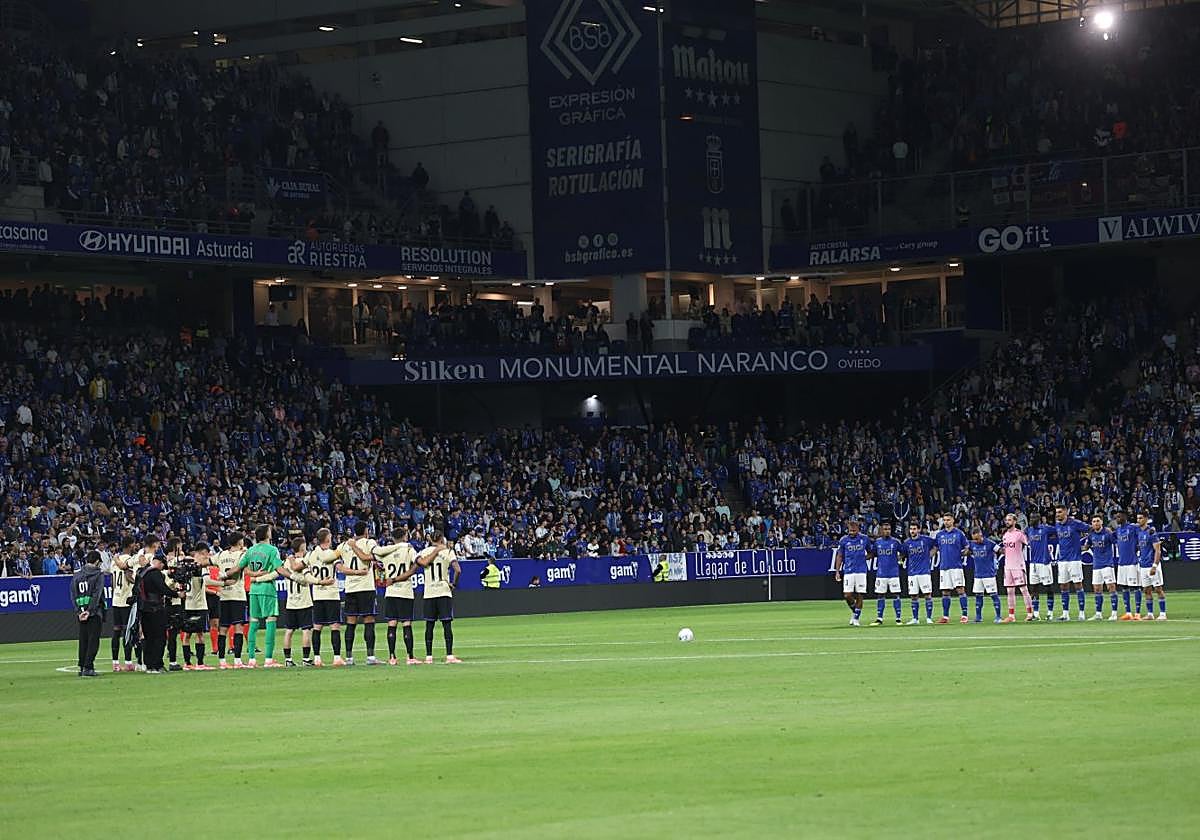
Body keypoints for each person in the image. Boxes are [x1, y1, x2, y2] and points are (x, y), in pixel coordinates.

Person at [395, 531, 463, 663]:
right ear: (442, 538)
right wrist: (453, 584)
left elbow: (415, 567)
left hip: (429, 592)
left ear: (430, 539)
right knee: (446, 625)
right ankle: (449, 655)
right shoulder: (448, 551)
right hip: (443, 591)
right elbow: (458, 570)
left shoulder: (423, 552)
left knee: (429, 625)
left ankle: (429, 656)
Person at [222, 523, 283, 668]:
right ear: (267, 534)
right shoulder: (272, 550)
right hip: (267, 589)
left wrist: (224, 575)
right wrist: (292, 575)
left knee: (253, 622)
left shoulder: (250, 551)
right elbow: (279, 568)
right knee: (270, 621)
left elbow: (240, 568)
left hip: (253, 589)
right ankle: (268, 659)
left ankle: (251, 659)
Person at [277, 537, 324, 667]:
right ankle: (306, 659)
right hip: (304, 602)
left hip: (290, 602)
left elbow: (278, 570)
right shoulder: (303, 562)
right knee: (306, 630)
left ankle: (287, 659)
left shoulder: (287, 562)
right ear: (302, 548)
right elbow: (306, 579)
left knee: (289, 631)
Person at [339, 522, 381, 666]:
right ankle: (370, 657)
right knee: (369, 622)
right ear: (366, 531)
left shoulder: (344, 545)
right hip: (366, 587)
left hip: (350, 588)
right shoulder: (369, 542)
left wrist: (344, 568)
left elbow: (333, 560)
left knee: (351, 624)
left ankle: (349, 658)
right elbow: (369, 557)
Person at [377, 531, 419, 665]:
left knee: (392, 623)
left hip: (390, 592)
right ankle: (410, 657)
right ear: (405, 537)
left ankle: (392, 657)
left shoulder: (386, 551)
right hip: (405, 591)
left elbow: (378, 565)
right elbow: (417, 562)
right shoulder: (408, 549)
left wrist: (383, 578)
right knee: (406, 624)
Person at [306, 528, 346, 666]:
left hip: (317, 595)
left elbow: (301, 568)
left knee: (317, 627)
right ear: (328, 539)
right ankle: (336, 658)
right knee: (335, 626)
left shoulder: (310, 555)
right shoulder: (331, 553)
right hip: (331, 594)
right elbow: (340, 568)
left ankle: (317, 658)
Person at [135, 549, 175, 674]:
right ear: (160, 563)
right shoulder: (155, 573)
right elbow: (162, 589)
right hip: (155, 609)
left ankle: (148, 664)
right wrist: (176, 594)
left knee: (148, 637)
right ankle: (157, 664)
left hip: (143, 609)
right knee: (160, 637)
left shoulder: (141, 572)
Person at [213, 533, 249, 669]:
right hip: (237, 595)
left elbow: (208, 561)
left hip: (223, 595)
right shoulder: (242, 555)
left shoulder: (221, 555)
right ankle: (237, 660)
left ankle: (222, 661)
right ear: (240, 542)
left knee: (223, 628)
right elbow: (242, 567)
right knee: (238, 627)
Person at [179, 543, 215, 670]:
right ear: (202, 552)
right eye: (206, 553)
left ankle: (187, 663)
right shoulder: (201, 566)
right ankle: (200, 663)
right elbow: (207, 581)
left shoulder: (184, 566)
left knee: (187, 634)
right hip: (199, 604)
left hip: (188, 604)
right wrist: (223, 582)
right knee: (199, 634)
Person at [71, 550, 106, 677]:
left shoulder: (77, 575)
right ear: (97, 561)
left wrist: (79, 611)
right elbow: (97, 594)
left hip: (81, 612)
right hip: (94, 612)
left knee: (83, 640)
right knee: (93, 640)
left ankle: (81, 666)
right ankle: (88, 666)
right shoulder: (98, 575)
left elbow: (73, 594)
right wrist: (90, 610)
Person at [833, 519, 872, 627]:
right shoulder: (843, 540)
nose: (852, 533)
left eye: (854, 531)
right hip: (848, 571)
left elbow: (871, 553)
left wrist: (864, 558)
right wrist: (837, 571)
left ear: (858, 530)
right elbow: (839, 556)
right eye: (850, 531)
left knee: (860, 594)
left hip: (861, 571)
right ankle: (856, 611)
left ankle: (856, 618)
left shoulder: (864, 539)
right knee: (847, 595)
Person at [1053, 505, 1089, 621]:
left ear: (1065, 512)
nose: (1057, 514)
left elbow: (1090, 529)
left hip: (1075, 559)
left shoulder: (1075, 523)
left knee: (1078, 585)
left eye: (1059, 512)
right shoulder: (1057, 525)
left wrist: (1087, 544)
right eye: (1056, 512)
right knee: (1063, 586)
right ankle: (1065, 614)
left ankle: (1082, 613)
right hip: (1062, 560)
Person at [109, 536, 138, 671]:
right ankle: (128, 662)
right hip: (126, 601)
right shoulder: (129, 560)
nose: (135, 546)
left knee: (116, 631)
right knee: (128, 631)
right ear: (130, 545)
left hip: (116, 600)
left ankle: (115, 663)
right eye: (134, 544)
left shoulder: (114, 562)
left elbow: (112, 582)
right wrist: (137, 582)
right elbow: (129, 576)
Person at [935, 514, 969, 624]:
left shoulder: (959, 534)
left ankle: (964, 615)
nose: (946, 522)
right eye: (944, 520)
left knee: (960, 589)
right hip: (944, 567)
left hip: (956, 566)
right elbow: (936, 548)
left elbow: (967, 547)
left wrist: (962, 554)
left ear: (953, 521)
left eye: (948, 520)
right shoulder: (939, 535)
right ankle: (945, 616)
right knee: (945, 592)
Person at [901, 522, 937, 624]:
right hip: (912, 573)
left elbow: (936, 545)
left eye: (914, 529)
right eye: (911, 529)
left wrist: (929, 555)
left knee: (927, 594)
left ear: (919, 530)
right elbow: (903, 553)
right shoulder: (907, 543)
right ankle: (915, 618)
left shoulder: (926, 540)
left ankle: (929, 618)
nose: (912, 531)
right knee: (913, 596)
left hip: (924, 572)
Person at [1000, 513, 1033, 622]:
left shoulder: (1019, 534)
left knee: (1023, 589)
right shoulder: (1005, 535)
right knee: (1010, 591)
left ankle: (1029, 613)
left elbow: (1029, 544)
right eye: (1006, 520)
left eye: (1009, 520)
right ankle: (1011, 616)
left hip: (1018, 565)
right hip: (1008, 566)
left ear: (1014, 521)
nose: (1007, 522)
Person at [1086, 515, 1119, 621]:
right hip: (1096, 565)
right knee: (1097, 589)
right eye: (1094, 521)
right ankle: (1098, 613)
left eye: (1097, 521)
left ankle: (1114, 613)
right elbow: (1087, 546)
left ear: (1101, 523)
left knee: (1111, 587)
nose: (1095, 523)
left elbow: (1116, 542)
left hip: (1107, 565)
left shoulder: (1108, 533)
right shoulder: (1091, 535)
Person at [967, 527, 1002, 623]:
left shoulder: (990, 543)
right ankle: (978, 617)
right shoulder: (972, 544)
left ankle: (998, 616)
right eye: (974, 539)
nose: (976, 541)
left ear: (981, 535)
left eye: (977, 539)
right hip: (977, 575)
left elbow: (1001, 550)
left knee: (994, 595)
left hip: (989, 574)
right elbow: (967, 552)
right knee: (978, 596)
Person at [870, 522, 903, 625]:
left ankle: (898, 618)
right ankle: (879, 618)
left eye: (888, 529)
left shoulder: (896, 542)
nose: (887, 531)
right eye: (885, 529)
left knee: (896, 594)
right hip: (881, 574)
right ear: (881, 530)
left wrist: (900, 559)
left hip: (893, 573)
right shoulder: (877, 542)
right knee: (880, 595)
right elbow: (873, 553)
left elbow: (903, 552)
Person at [1135, 513, 1166, 620]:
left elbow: (1158, 550)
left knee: (1158, 589)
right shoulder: (1138, 532)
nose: (1139, 520)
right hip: (1143, 566)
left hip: (1152, 565)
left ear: (1146, 519)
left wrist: (1154, 565)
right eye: (1137, 518)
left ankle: (1162, 613)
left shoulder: (1151, 532)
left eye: (1141, 518)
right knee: (1147, 590)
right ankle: (1150, 614)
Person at [1026, 512, 1056, 620]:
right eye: (1030, 517)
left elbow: (1058, 531)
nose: (1031, 519)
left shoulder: (1045, 528)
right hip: (1033, 563)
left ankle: (1050, 612)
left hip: (1044, 563)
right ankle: (1036, 613)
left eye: (1033, 518)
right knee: (1034, 589)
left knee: (1048, 588)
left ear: (1038, 519)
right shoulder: (1028, 530)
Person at [1113, 511, 1141, 620]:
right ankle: (1128, 612)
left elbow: (1144, 529)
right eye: (1116, 517)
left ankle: (1137, 613)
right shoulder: (1118, 530)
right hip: (1122, 563)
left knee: (1135, 587)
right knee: (1124, 587)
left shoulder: (1133, 527)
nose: (1117, 518)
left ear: (1125, 517)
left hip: (1132, 562)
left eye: (1119, 516)